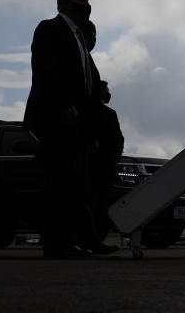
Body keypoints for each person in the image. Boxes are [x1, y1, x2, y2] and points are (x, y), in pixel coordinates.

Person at [23, 0, 114, 258]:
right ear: (64, 4)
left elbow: (87, 77)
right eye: (82, 1)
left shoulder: (79, 38)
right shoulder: (49, 29)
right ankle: (57, 244)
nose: (87, 5)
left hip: (79, 122)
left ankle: (84, 240)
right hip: (57, 117)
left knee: (77, 183)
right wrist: (65, 106)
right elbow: (46, 71)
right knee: (59, 183)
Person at [79, 20, 124, 246]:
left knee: (101, 203)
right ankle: (92, 239)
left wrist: (112, 159)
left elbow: (118, 140)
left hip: (104, 165)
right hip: (95, 165)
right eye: (105, 91)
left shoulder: (107, 113)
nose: (108, 94)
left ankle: (95, 239)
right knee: (94, 202)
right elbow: (117, 140)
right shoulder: (91, 112)